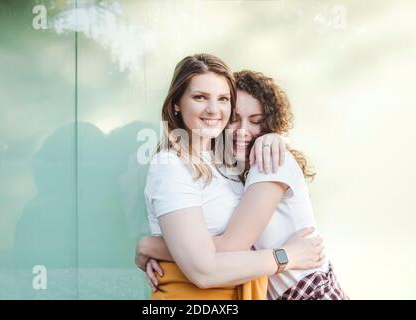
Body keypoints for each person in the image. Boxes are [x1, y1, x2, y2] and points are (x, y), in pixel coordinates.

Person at [136, 53, 325, 300]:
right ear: (176, 104)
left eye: (223, 99)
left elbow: (223, 247)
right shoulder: (171, 165)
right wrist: (286, 256)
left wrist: (152, 246)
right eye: (199, 97)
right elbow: (203, 268)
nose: (214, 109)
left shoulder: (230, 161)